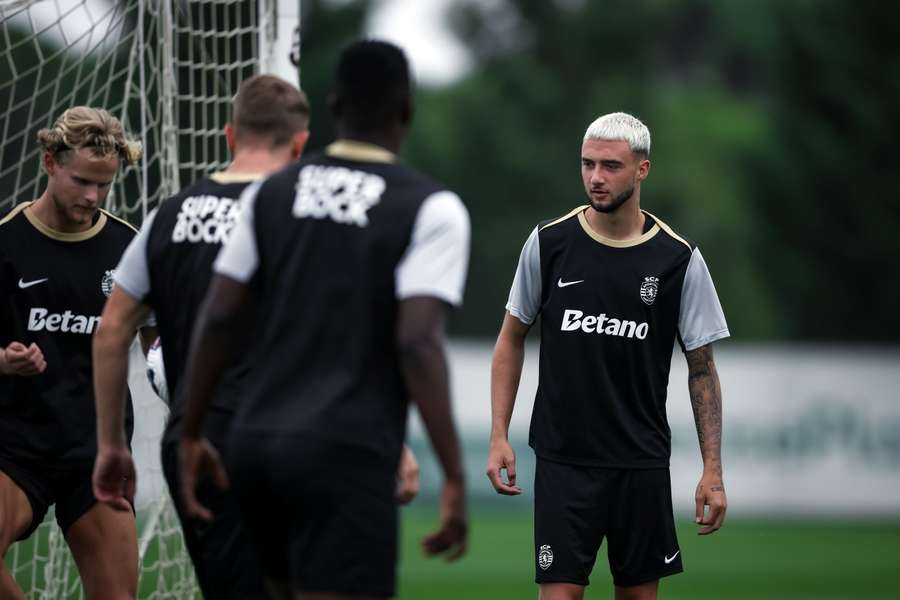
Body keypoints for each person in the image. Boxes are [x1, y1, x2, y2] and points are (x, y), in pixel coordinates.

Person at [177, 40, 471, 600]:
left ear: (334, 105)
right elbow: (416, 341)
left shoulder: (270, 196)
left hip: (254, 445)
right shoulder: (430, 208)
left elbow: (217, 317)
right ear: (407, 109)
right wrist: (453, 473)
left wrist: (191, 432)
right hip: (345, 451)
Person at [487, 112, 729, 600]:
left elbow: (701, 369)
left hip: (639, 462)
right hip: (563, 459)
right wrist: (499, 435)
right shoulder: (549, 244)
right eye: (588, 164)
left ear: (642, 170)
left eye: (611, 166)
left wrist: (713, 471)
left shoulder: (678, 259)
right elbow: (511, 337)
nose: (596, 178)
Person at [90, 74, 309, 599]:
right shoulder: (301, 214)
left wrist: (111, 444)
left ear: (230, 136)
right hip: (289, 440)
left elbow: (111, 329)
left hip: (195, 445)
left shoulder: (167, 217)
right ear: (300, 144)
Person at [0, 106, 149, 600]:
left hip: (96, 450)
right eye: (82, 181)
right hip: (14, 446)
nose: (92, 197)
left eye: (104, 185)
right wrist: (3, 361)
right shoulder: (7, 243)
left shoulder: (128, 249)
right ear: (49, 163)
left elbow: (159, 346)